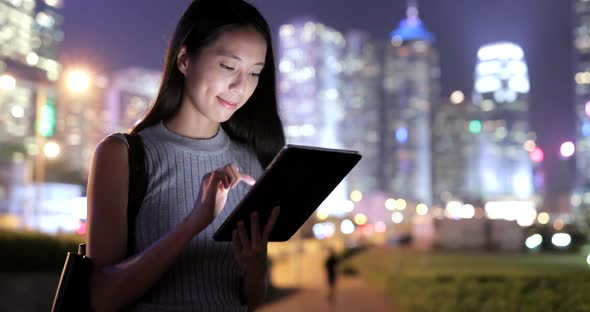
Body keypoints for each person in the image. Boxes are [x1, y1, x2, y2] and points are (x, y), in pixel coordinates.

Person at [85, 0, 285, 310]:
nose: (239, 86)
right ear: (184, 59)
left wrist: (255, 268)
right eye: (228, 66)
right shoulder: (123, 155)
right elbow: (102, 297)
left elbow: (250, 301)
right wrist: (194, 223)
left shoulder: (251, 163)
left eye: (255, 73)